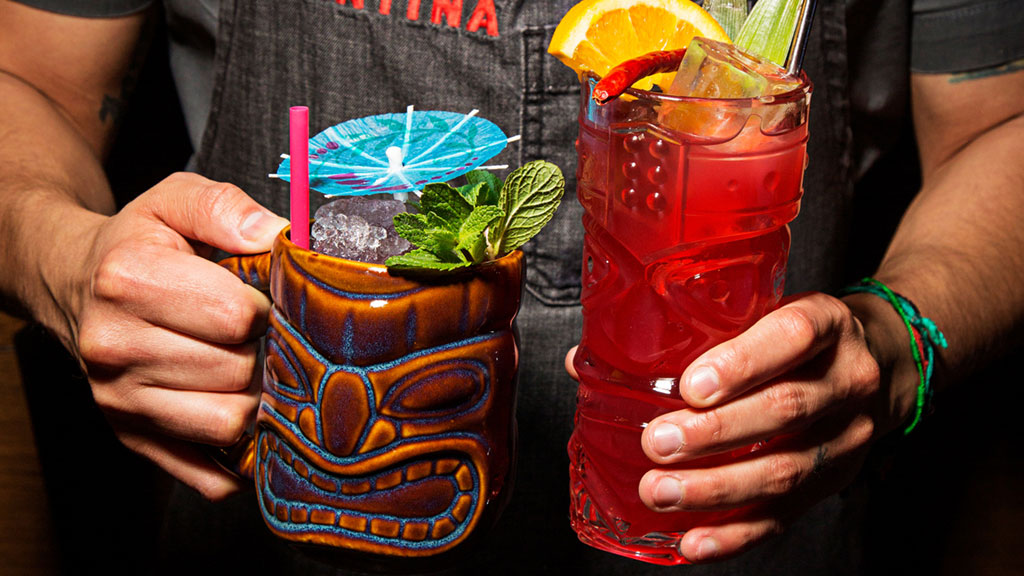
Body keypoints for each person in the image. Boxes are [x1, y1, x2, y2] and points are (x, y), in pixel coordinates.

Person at [1, 0, 1022, 574]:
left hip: (739, 539)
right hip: (280, 519)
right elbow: (30, 82)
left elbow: (997, 129)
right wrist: (67, 261)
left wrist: (902, 338)